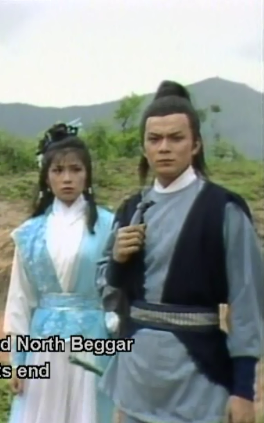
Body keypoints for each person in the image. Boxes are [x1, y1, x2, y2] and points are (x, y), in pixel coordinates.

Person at [97, 80, 264, 423]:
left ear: (196, 144)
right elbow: (107, 294)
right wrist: (117, 263)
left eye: (176, 138)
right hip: (136, 377)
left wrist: (243, 390)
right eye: (155, 139)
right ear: (144, 147)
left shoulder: (223, 209)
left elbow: (247, 301)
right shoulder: (130, 210)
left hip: (198, 378)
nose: (164, 148)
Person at [3, 123, 116, 423]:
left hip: (93, 340)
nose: (67, 178)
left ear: (87, 175)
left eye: (76, 169)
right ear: (46, 176)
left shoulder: (110, 225)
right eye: (58, 170)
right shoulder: (30, 233)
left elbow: (118, 289)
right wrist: (18, 360)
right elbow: (20, 298)